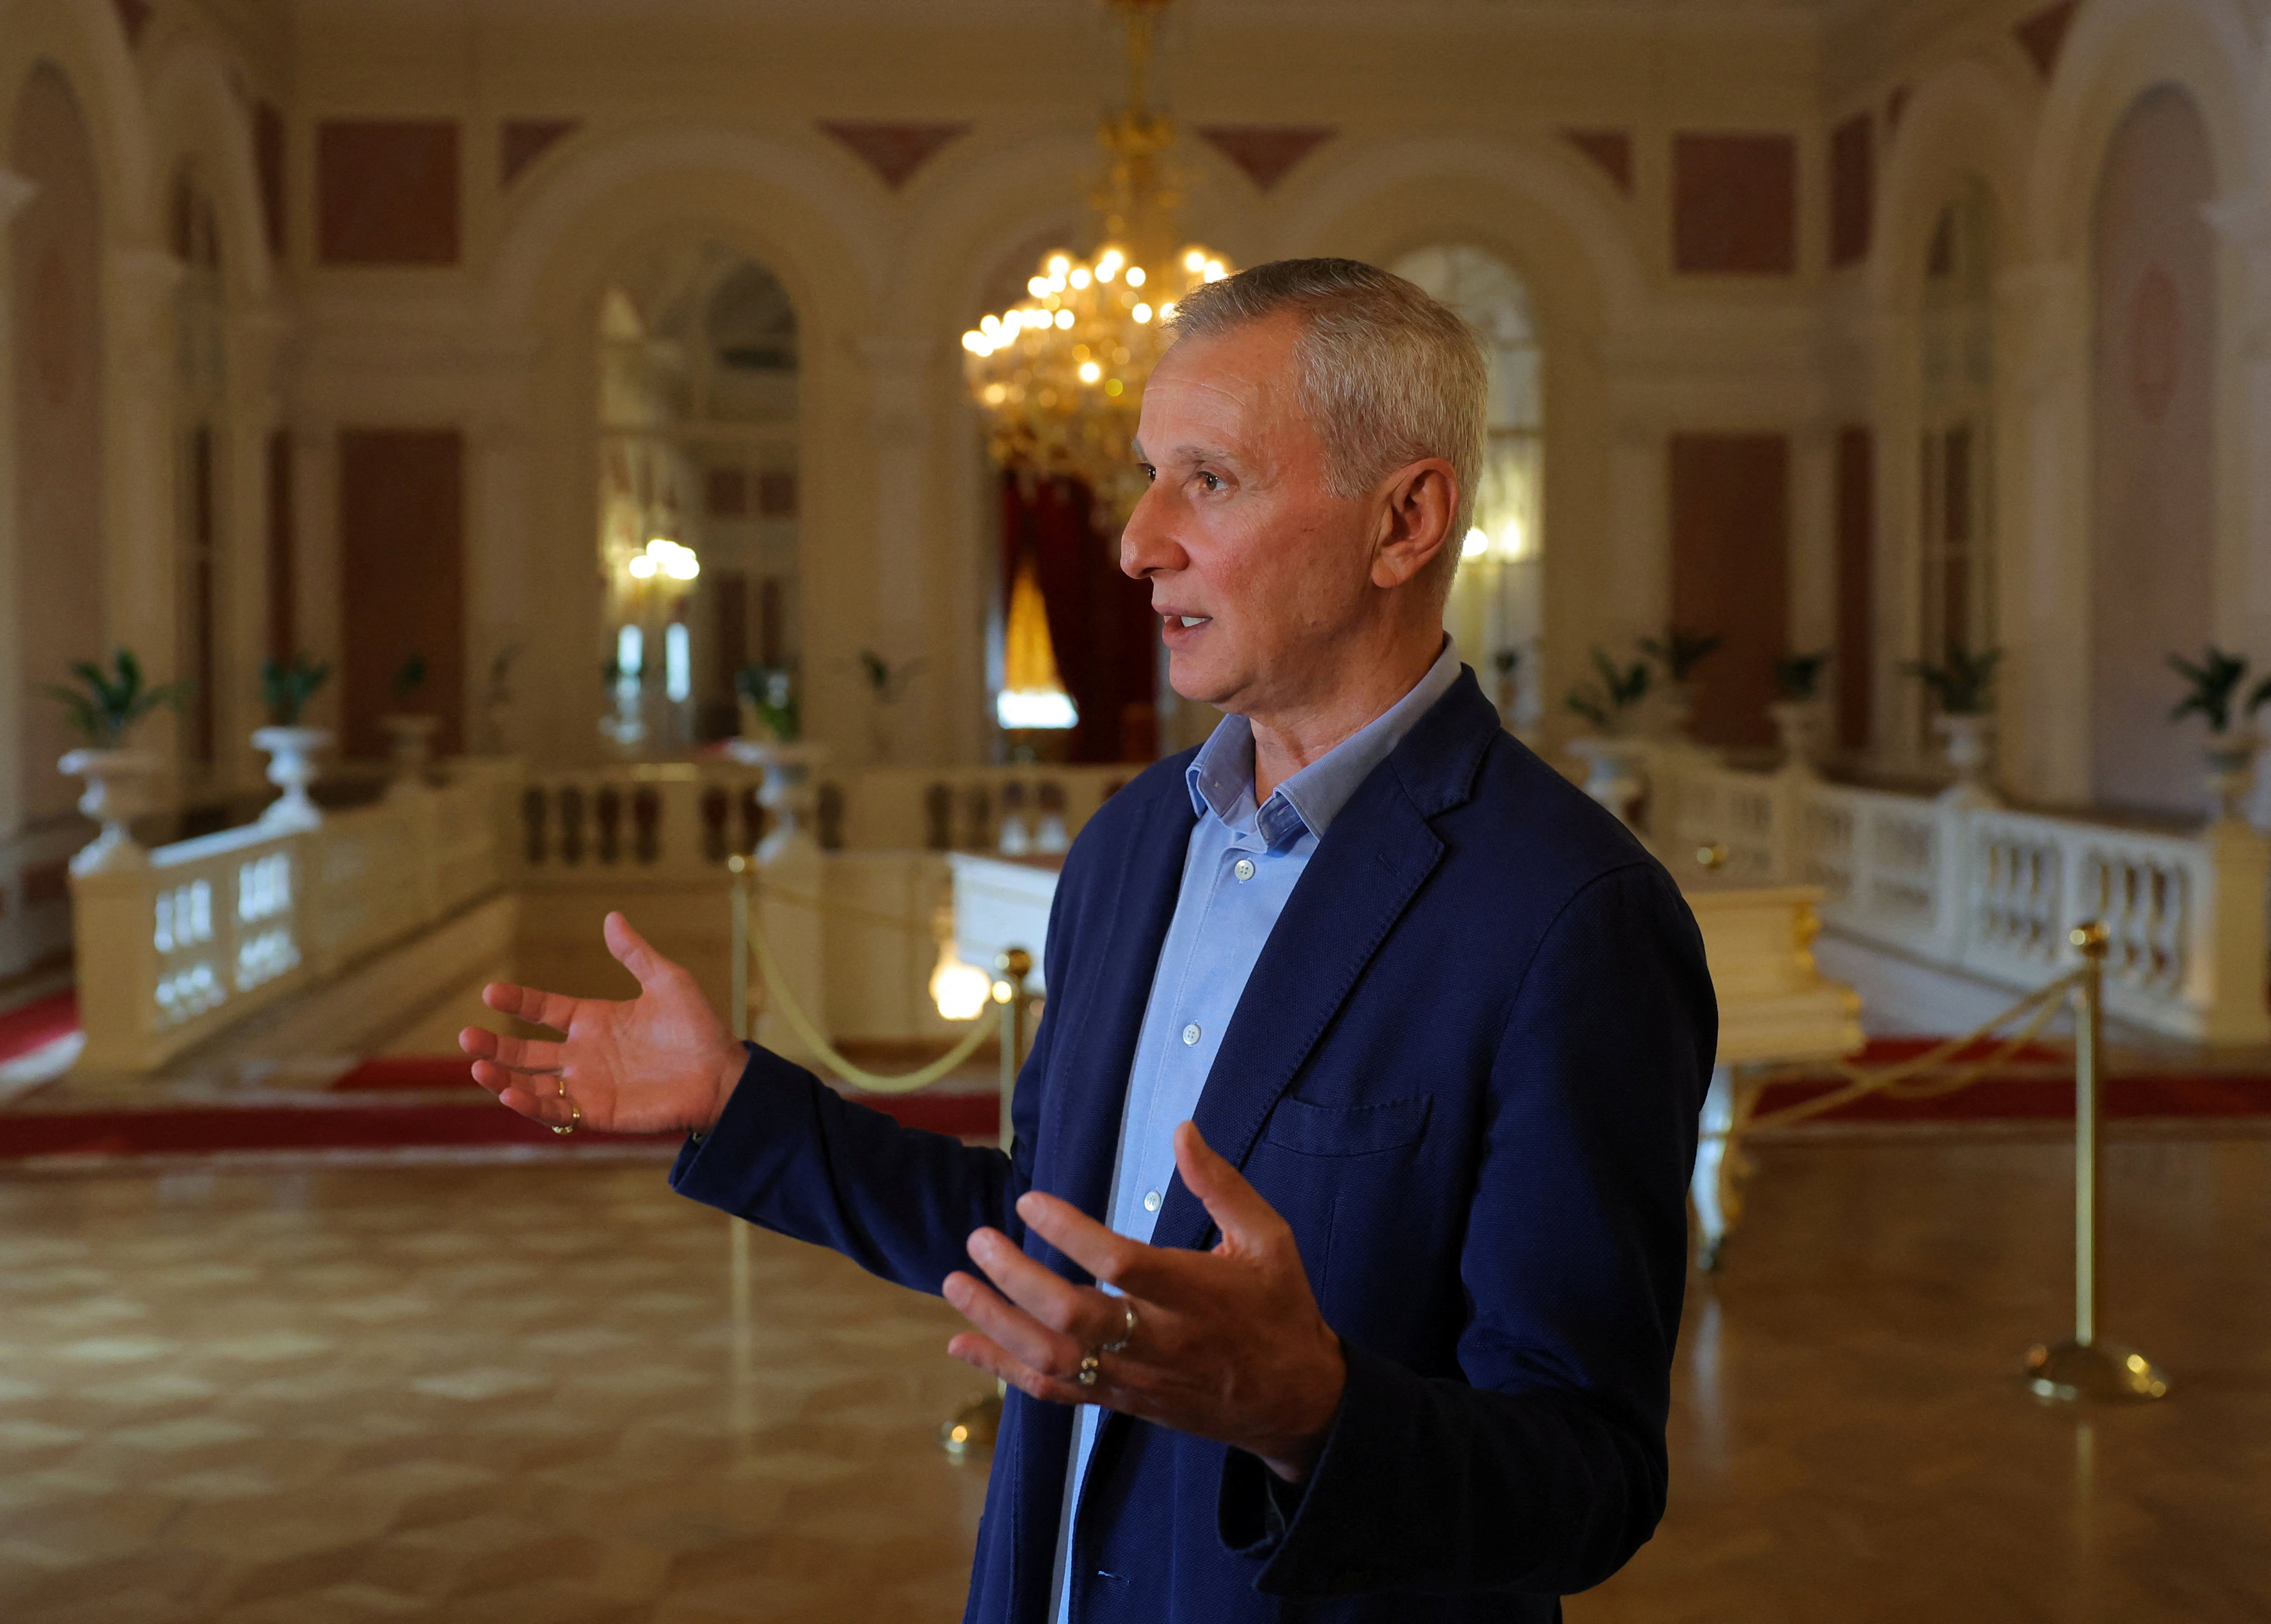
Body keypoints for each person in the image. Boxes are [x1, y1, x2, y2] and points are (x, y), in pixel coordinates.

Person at [462, 257, 1715, 1623]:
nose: (1136, 540)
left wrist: (1310, 1413)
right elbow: (1054, 1241)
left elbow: (1587, 1478)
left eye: (1209, 480)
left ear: (1405, 518)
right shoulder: (1130, 848)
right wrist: (738, 1104)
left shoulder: (1570, 918)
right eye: (1144, 474)